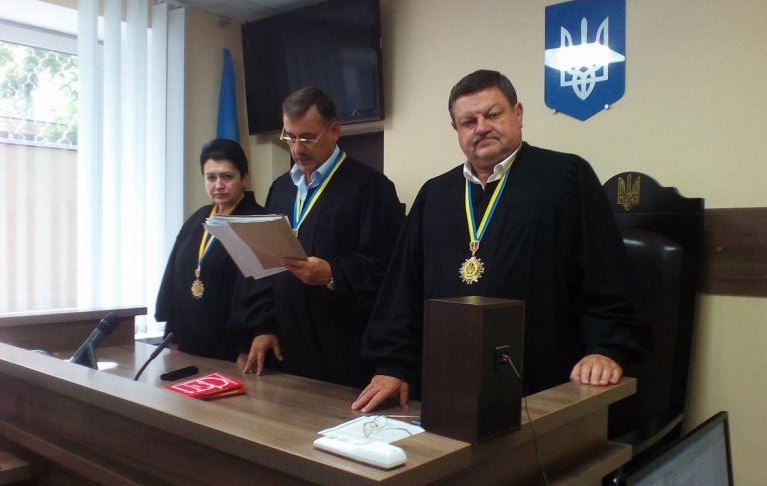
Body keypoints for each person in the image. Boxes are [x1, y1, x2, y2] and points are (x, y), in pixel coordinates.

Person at [352, 69, 650, 413]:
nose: (481, 127)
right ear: (456, 129)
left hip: (543, 385)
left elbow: (605, 272)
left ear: (518, 114)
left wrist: (605, 349)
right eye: (469, 121)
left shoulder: (565, 178)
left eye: (493, 114)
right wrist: (392, 364)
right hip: (447, 383)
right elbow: (403, 288)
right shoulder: (434, 196)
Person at [230, 86, 405, 388]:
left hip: (342, 347)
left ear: (334, 130)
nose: (297, 149)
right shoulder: (281, 189)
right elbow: (265, 267)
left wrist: (333, 274)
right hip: (286, 344)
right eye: (290, 137)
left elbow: (390, 273)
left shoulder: (371, 188)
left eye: (307, 137)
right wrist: (263, 326)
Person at [156, 138, 265, 360]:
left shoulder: (257, 223)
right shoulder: (196, 220)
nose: (218, 185)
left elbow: (258, 293)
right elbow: (175, 279)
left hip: (230, 347)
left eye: (227, 177)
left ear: (244, 178)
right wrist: (172, 334)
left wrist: (245, 345)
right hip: (188, 340)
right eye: (211, 177)